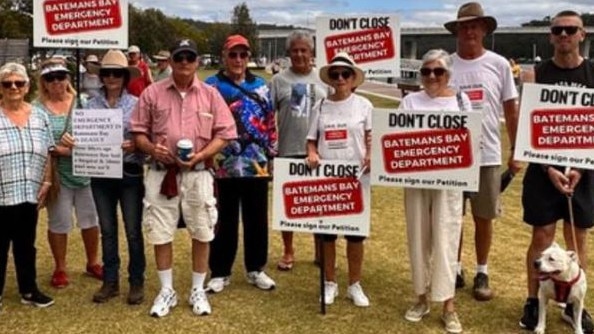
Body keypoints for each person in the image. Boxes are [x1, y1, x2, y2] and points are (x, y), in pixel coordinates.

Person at [131, 38, 236, 317]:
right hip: (161, 173)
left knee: (202, 230)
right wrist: (153, 149)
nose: (185, 63)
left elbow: (225, 132)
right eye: (180, 57)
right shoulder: (152, 93)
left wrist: (201, 155)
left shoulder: (210, 94)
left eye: (190, 57)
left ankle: (197, 289)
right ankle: (167, 291)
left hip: (198, 174)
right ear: (172, 61)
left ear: (197, 61)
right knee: (160, 231)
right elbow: (138, 132)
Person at [519, 10, 594, 333]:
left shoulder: (592, 74)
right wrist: (549, 167)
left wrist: (576, 166)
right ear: (550, 36)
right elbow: (528, 126)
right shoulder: (535, 74)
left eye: (570, 30)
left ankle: (575, 304)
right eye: (558, 30)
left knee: (577, 240)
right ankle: (535, 300)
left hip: (584, 168)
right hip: (542, 168)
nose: (564, 35)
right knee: (541, 237)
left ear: (582, 35)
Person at [444, 2, 520, 300]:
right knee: (453, 216)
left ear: (485, 29)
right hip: (453, 156)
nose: (469, 31)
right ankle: (456, 267)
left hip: (487, 153)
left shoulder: (499, 64)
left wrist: (516, 149)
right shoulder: (446, 64)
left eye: (475, 25)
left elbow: (510, 111)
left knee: (483, 217)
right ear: (457, 31)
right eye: (464, 26)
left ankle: (482, 270)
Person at [400, 49, 471, 334]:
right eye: (426, 71)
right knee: (418, 238)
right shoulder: (409, 101)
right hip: (415, 181)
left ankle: (448, 305)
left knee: (446, 239)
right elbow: (396, 139)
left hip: (448, 184)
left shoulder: (460, 100)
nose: (431, 76)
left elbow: (470, 138)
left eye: (438, 71)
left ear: (448, 74)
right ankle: (420, 298)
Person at [204, 34, 277, 294]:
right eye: (233, 54)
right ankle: (220, 271)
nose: (238, 60)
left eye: (242, 54)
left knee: (256, 218)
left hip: (255, 164)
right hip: (222, 165)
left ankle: (256, 268)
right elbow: (204, 122)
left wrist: (272, 156)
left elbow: (270, 124)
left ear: (248, 57)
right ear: (224, 56)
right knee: (223, 219)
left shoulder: (262, 86)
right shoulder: (210, 85)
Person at [305, 52, 372, 307]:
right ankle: (330, 282)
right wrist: (311, 152)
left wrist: (371, 156)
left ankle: (354, 284)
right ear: (330, 78)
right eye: (335, 74)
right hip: (327, 179)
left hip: (356, 178)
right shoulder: (320, 106)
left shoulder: (365, 105)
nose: (341, 78)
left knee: (355, 235)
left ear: (353, 77)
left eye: (346, 73)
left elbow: (370, 136)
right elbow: (311, 139)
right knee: (327, 235)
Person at [33, 58, 103, 289]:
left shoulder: (83, 102)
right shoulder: (37, 108)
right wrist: (56, 149)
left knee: (90, 220)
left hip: (86, 172)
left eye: (61, 76)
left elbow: (98, 132)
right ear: (44, 82)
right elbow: (36, 139)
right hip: (58, 175)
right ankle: (60, 267)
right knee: (59, 222)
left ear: (68, 79)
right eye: (51, 78)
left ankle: (93, 262)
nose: (57, 82)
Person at [84, 50, 147, 305]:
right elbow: (87, 138)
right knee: (108, 231)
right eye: (106, 73)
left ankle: (136, 280)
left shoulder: (136, 103)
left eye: (116, 73)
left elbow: (145, 136)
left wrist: (135, 145)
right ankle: (110, 281)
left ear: (124, 76)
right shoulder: (90, 104)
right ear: (101, 77)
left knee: (133, 230)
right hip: (101, 174)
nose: (111, 78)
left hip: (129, 172)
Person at [269, 30, 328, 271]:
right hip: (288, 148)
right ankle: (288, 250)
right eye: (295, 50)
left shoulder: (324, 79)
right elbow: (267, 116)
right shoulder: (278, 81)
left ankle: (319, 249)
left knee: (318, 203)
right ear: (288, 53)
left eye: (304, 49)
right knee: (288, 205)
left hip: (320, 151)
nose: (300, 54)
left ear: (312, 52)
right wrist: (270, 150)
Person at [0, 62, 55, 308]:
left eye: (19, 83)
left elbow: (48, 153)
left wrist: (47, 180)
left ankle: (29, 291)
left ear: (27, 86)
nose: (13, 87)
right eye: (7, 83)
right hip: (2, 194)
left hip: (29, 193)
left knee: (26, 245)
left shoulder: (40, 116)